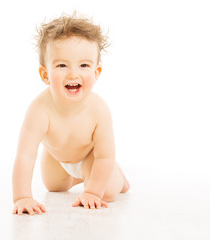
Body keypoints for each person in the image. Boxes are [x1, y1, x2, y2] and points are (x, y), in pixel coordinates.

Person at [12, 12, 130, 215]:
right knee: (54, 188)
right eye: (61, 65)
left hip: (91, 157)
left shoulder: (99, 110)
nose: (73, 73)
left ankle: (117, 177)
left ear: (96, 72)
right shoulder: (39, 110)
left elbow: (104, 156)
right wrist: (22, 197)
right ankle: (80, 177)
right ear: (45, 74)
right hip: (57, 157)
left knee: (106, 192)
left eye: (84, 65)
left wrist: (92, 192)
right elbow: (25, 155)